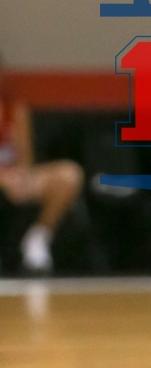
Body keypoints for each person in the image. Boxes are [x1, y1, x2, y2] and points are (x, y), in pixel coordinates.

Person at [0, 67, 84, 275]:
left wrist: (22, 177)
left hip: (13, 177)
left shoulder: (15, 108)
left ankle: (38, 238)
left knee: (69, 174)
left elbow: (25, 158)